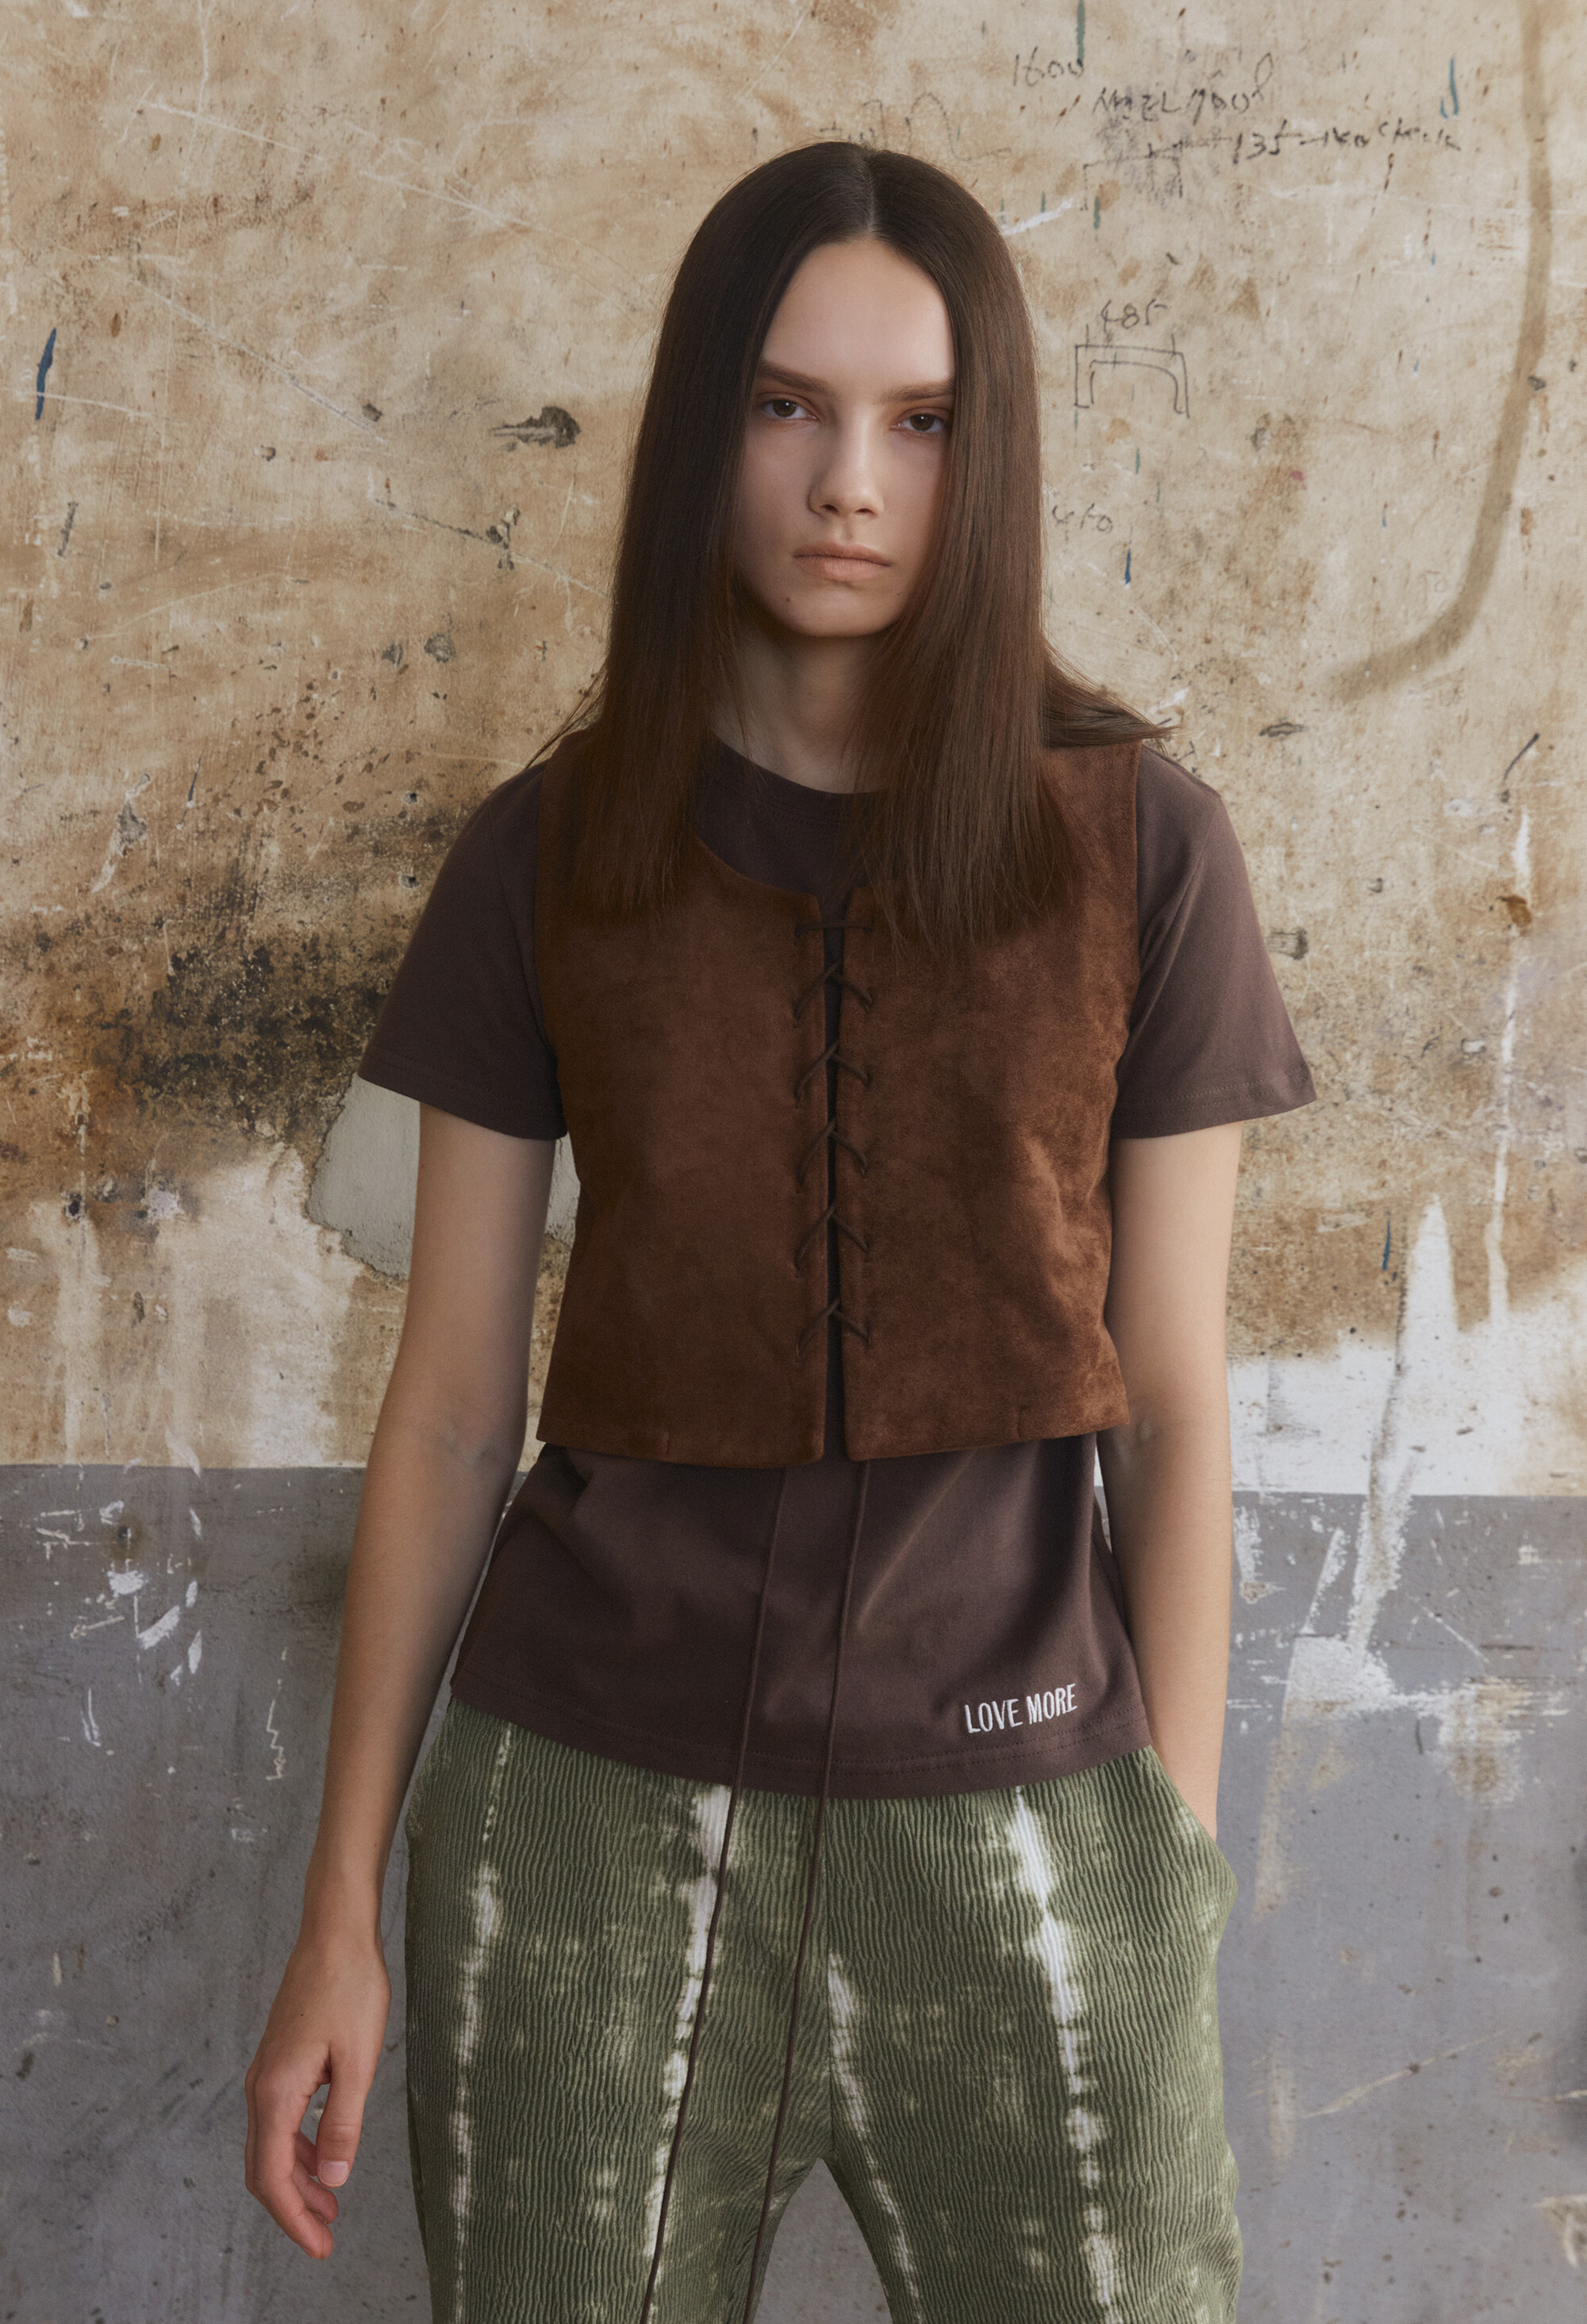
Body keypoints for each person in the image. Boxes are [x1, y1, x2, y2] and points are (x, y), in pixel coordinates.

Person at [245, 141, 1315, 2323]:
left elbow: (1176, 1404)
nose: (850, 482)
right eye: (785, 406)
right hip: (580, 1830)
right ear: (700, 431)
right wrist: (338, 1908)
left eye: (921, 422)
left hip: (1033, 1813)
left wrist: (1168, 1870)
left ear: (987, 458)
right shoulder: (546, 858)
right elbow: (450, 1409)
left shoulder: (1144, 851)